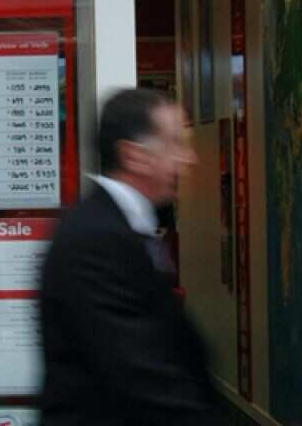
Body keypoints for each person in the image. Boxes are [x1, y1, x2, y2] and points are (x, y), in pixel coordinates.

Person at [38, 88, 220, 426]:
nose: (188, 159)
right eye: (175, 144)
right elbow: (138, 372)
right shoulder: (93, 239)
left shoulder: (125, 227)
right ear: (133, 155)